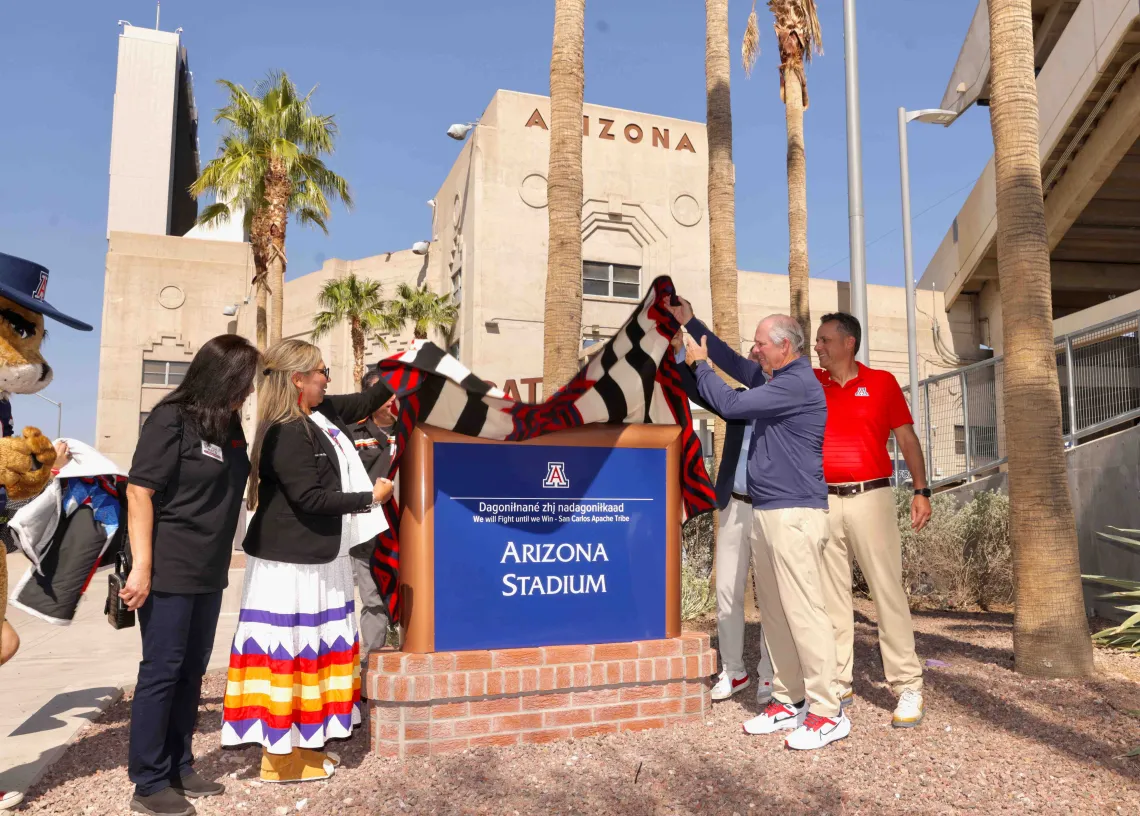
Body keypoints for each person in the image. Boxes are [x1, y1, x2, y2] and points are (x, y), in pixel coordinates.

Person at [668, 297, 850, 751]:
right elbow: (730, 358)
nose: (753, 351)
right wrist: (691, 323)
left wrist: (700, 364)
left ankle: (828, 711)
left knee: (804, 613)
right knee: (774, 613)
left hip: (793, 513)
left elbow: (729, 403)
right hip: (768, 511)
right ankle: (788, 701)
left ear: (784, 347)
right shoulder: (776, 375)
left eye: (760, 344)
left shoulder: (797, 384)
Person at [222, 339, 395, 783]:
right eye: (321, 371)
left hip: (319, 558)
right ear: (298, 379)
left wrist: (409, 364)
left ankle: (301, 747)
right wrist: (369, 498)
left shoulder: (320, 415)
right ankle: (279, 760)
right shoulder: (285, 429)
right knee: (292, 655)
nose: (328, 378)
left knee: (312, 655)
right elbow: (309, 497)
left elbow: (368, 397)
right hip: (291, 567)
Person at [123, 335, 261, 816]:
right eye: (242, 381)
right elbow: (139, 491)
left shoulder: (228, 425)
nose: (246, 391)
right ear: (220, 375)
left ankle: (179, 763)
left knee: (191, 672)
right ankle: (148, 780)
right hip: (169, 568)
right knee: (161, 672)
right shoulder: (171, 418)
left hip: (209, 567)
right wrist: (142, 567)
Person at [814, 312, 931, 728]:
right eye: (816, 340)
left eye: (825, 340)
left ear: (849, 343)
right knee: (830, 596)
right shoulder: (812, 381)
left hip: (872, 496)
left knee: (887, 592)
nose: (818, 346)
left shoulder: (881, 383)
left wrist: (921, 490)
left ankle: (907, 684)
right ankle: (838, 679)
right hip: (822, 501)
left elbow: (906, 439)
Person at [671, 332, 773, 703]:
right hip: (733, 503)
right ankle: (734, 671)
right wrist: (681, 352)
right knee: (727, 590)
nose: (752, 355)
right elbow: (699, 389)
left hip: (771, 508)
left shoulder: (786, 398)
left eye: (758, 351)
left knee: (772, 596)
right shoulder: (740, 400)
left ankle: (770, 674)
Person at [349, 371, 399, 660]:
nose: (392, 397)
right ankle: (373, 664)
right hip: (368, 530)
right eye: (384, 392)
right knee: (373, 600)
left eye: (394, 392)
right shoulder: (351, 433)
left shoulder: (411, 430)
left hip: (405, 530)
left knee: (410, 598)